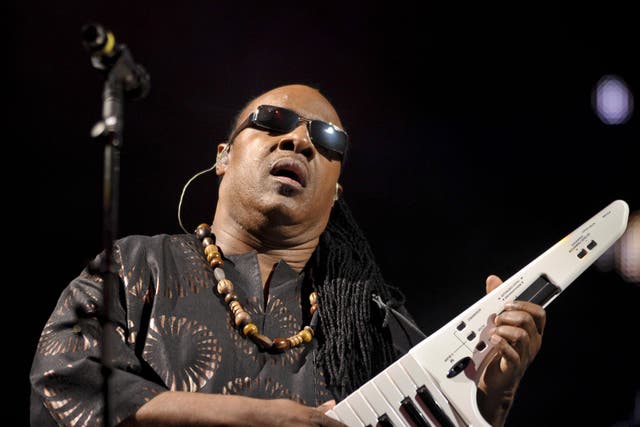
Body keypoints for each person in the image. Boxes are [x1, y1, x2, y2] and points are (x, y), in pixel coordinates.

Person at [30, 84, 547, 426]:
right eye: (274, 120)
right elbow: (60, 383)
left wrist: (492, 395)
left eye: (326, 138)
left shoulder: (372, 322)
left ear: (338, 190)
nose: (299, 140)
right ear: (223, 155)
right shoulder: (137, 264)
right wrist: (257, 419)